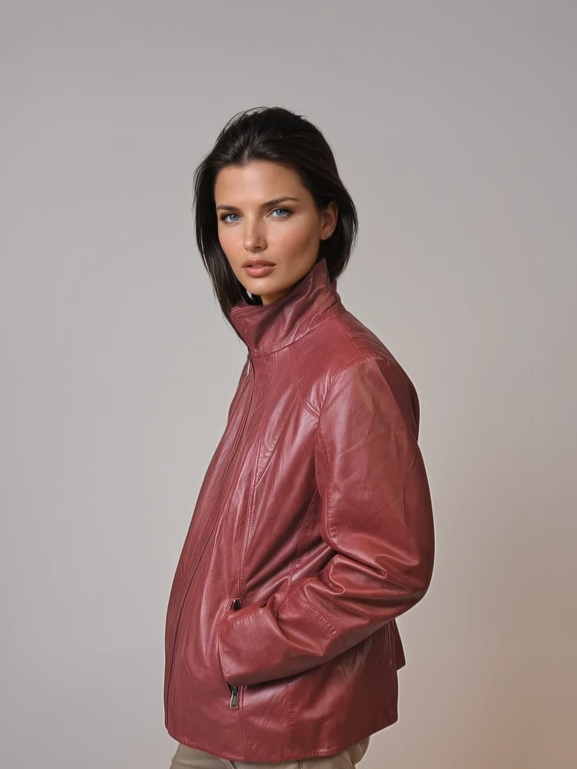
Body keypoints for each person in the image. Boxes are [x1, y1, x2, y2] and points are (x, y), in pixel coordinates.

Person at [164, 106, 435, 769]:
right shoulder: (273, 354)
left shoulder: (349, 371)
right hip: (237, 706)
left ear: (327, 218)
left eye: (278, 211)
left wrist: (239, 645)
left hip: (287, 717)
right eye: (230, 216)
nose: (251, 239)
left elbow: (387, 565)